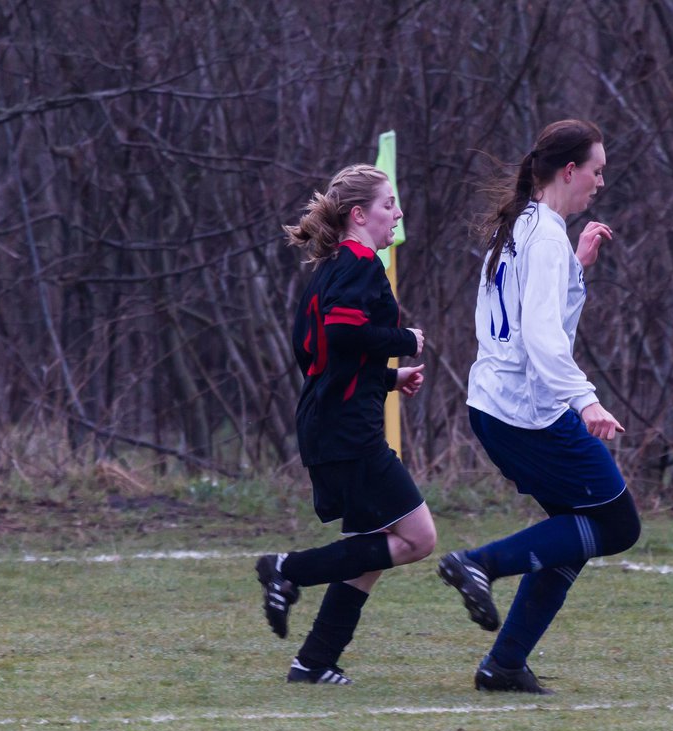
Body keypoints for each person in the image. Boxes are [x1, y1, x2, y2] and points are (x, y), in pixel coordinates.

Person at [437, 119, 641, 694]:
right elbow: (542, 340)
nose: (601, 183)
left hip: (495, 406)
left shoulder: (524, 227)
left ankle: (505, 665)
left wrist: (577, 268)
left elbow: (539, 321)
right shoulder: (544, 236)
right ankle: (480, 564)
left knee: (575, 530)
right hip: (529, 413)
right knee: (618, 523)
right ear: (569, 171)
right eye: (597, 171)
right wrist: (586, 402)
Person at [255, 164, 435, 685]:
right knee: (418, 539)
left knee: (370, 547)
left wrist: (386, 380)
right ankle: (287, 570)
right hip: (347, 434)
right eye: (388, 205)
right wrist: (405, 340)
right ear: (359, 215)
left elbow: (321, 357)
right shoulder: (359, 264)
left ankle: (313, 662)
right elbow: (341, 332)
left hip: (330, 422)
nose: (397, 214)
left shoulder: (330, 269)